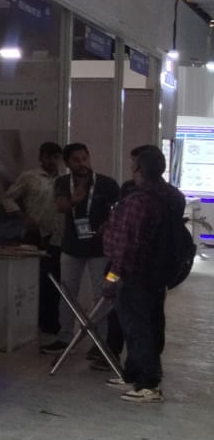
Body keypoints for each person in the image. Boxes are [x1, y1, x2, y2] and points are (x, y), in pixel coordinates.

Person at [100, 146, 184, 403]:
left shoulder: (138, 201)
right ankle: (134, 373)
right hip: (157, 273)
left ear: (139, 168)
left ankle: (148, 383)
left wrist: (111, 278)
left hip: (134, 274)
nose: (130, 167)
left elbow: (127, 246)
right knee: (152, 323)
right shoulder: (171, 195)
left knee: (137, 328)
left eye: (133, 163)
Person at [47, 143, 119, 355]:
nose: (82, 164)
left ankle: (100, 342)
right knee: (67, 292)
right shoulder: (62, 182)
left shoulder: (106, 183)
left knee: (101, 295)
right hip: (71, 246)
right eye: (76, 160)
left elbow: (119, 210)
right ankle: (65, 337)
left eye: (84, 158)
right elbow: (61, 206)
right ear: (67, 163)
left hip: (100, 248)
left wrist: (108, 223)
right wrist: (74, 201)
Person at [1, 142, 64, 339]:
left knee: (55, 280)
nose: (52, 161)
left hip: (58, 235)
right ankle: (31, 323)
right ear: (41, 157)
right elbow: (7, 198)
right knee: (36, 279)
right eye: (48, 157)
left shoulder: (64, 179)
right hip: (35, 234)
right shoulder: (29, 176)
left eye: (56, 157)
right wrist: (23, 217)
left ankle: (52, 323)